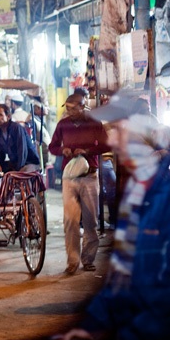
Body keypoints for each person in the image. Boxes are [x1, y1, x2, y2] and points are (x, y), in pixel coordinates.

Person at [52, 101, 170, 340]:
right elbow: (122, 273)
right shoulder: (136, 191)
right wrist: (92, 325)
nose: (113, 141)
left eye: (120, 132)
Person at [49, 92, 110, 274]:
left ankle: (88, 258)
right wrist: (63, 150)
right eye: (67, 108)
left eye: (72, 108)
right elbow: (52, 146)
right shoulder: (63, 124)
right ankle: (72, 261)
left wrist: (88, 150)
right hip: (70, 178)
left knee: (90, 221)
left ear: (82, 106)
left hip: (90, 176)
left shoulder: (94, 122)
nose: (68, 111)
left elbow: (107, 145)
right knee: (70, 221)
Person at [0, 103, 41, 218]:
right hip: (15, 163)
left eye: (0, 115)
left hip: (29, 162)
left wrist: (14, 171)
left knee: (20, 173)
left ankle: (30, 208)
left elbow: (22, 153)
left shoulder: (16, 128)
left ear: (8, 116)